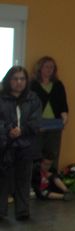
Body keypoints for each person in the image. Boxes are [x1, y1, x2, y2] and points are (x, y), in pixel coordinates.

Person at [0, 66, 42, 221]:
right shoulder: (1, 98)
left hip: (26, 144)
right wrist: (8, 130)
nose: (19, 82)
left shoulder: (33, 98)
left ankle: (22, 211)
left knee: (23, 179)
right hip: (5, 144)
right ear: (9, 80)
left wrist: (22, 130)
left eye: (22, 79)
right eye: (15, 79)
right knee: (3, 180)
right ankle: (1, 211)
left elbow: (36, 121)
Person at [30, 56, 69, 172]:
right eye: (46, 66)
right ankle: (35, 179)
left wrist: (65, 117)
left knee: (53, 152)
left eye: (52, 67)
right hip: (38, 123)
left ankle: (52, 177)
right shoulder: (33, 84)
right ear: (40, 68)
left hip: (55, 123)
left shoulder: (58, 84)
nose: (49, 69)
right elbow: (28, 105)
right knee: (36, 152)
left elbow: (63, 103)